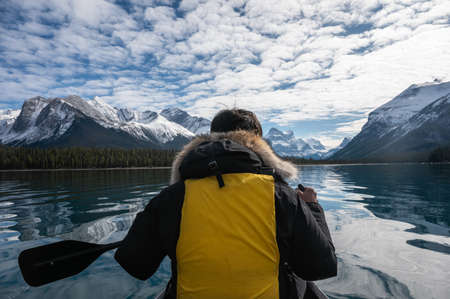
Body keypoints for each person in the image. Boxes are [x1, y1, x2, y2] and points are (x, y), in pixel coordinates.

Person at [115, 108, 337, 299]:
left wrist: (152, 222)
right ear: (257, 143)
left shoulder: (170, 198)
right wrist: (312, 208)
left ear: (211, 139)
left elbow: (135, 264)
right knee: (298, 271)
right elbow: (322, 266)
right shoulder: (282, 196)